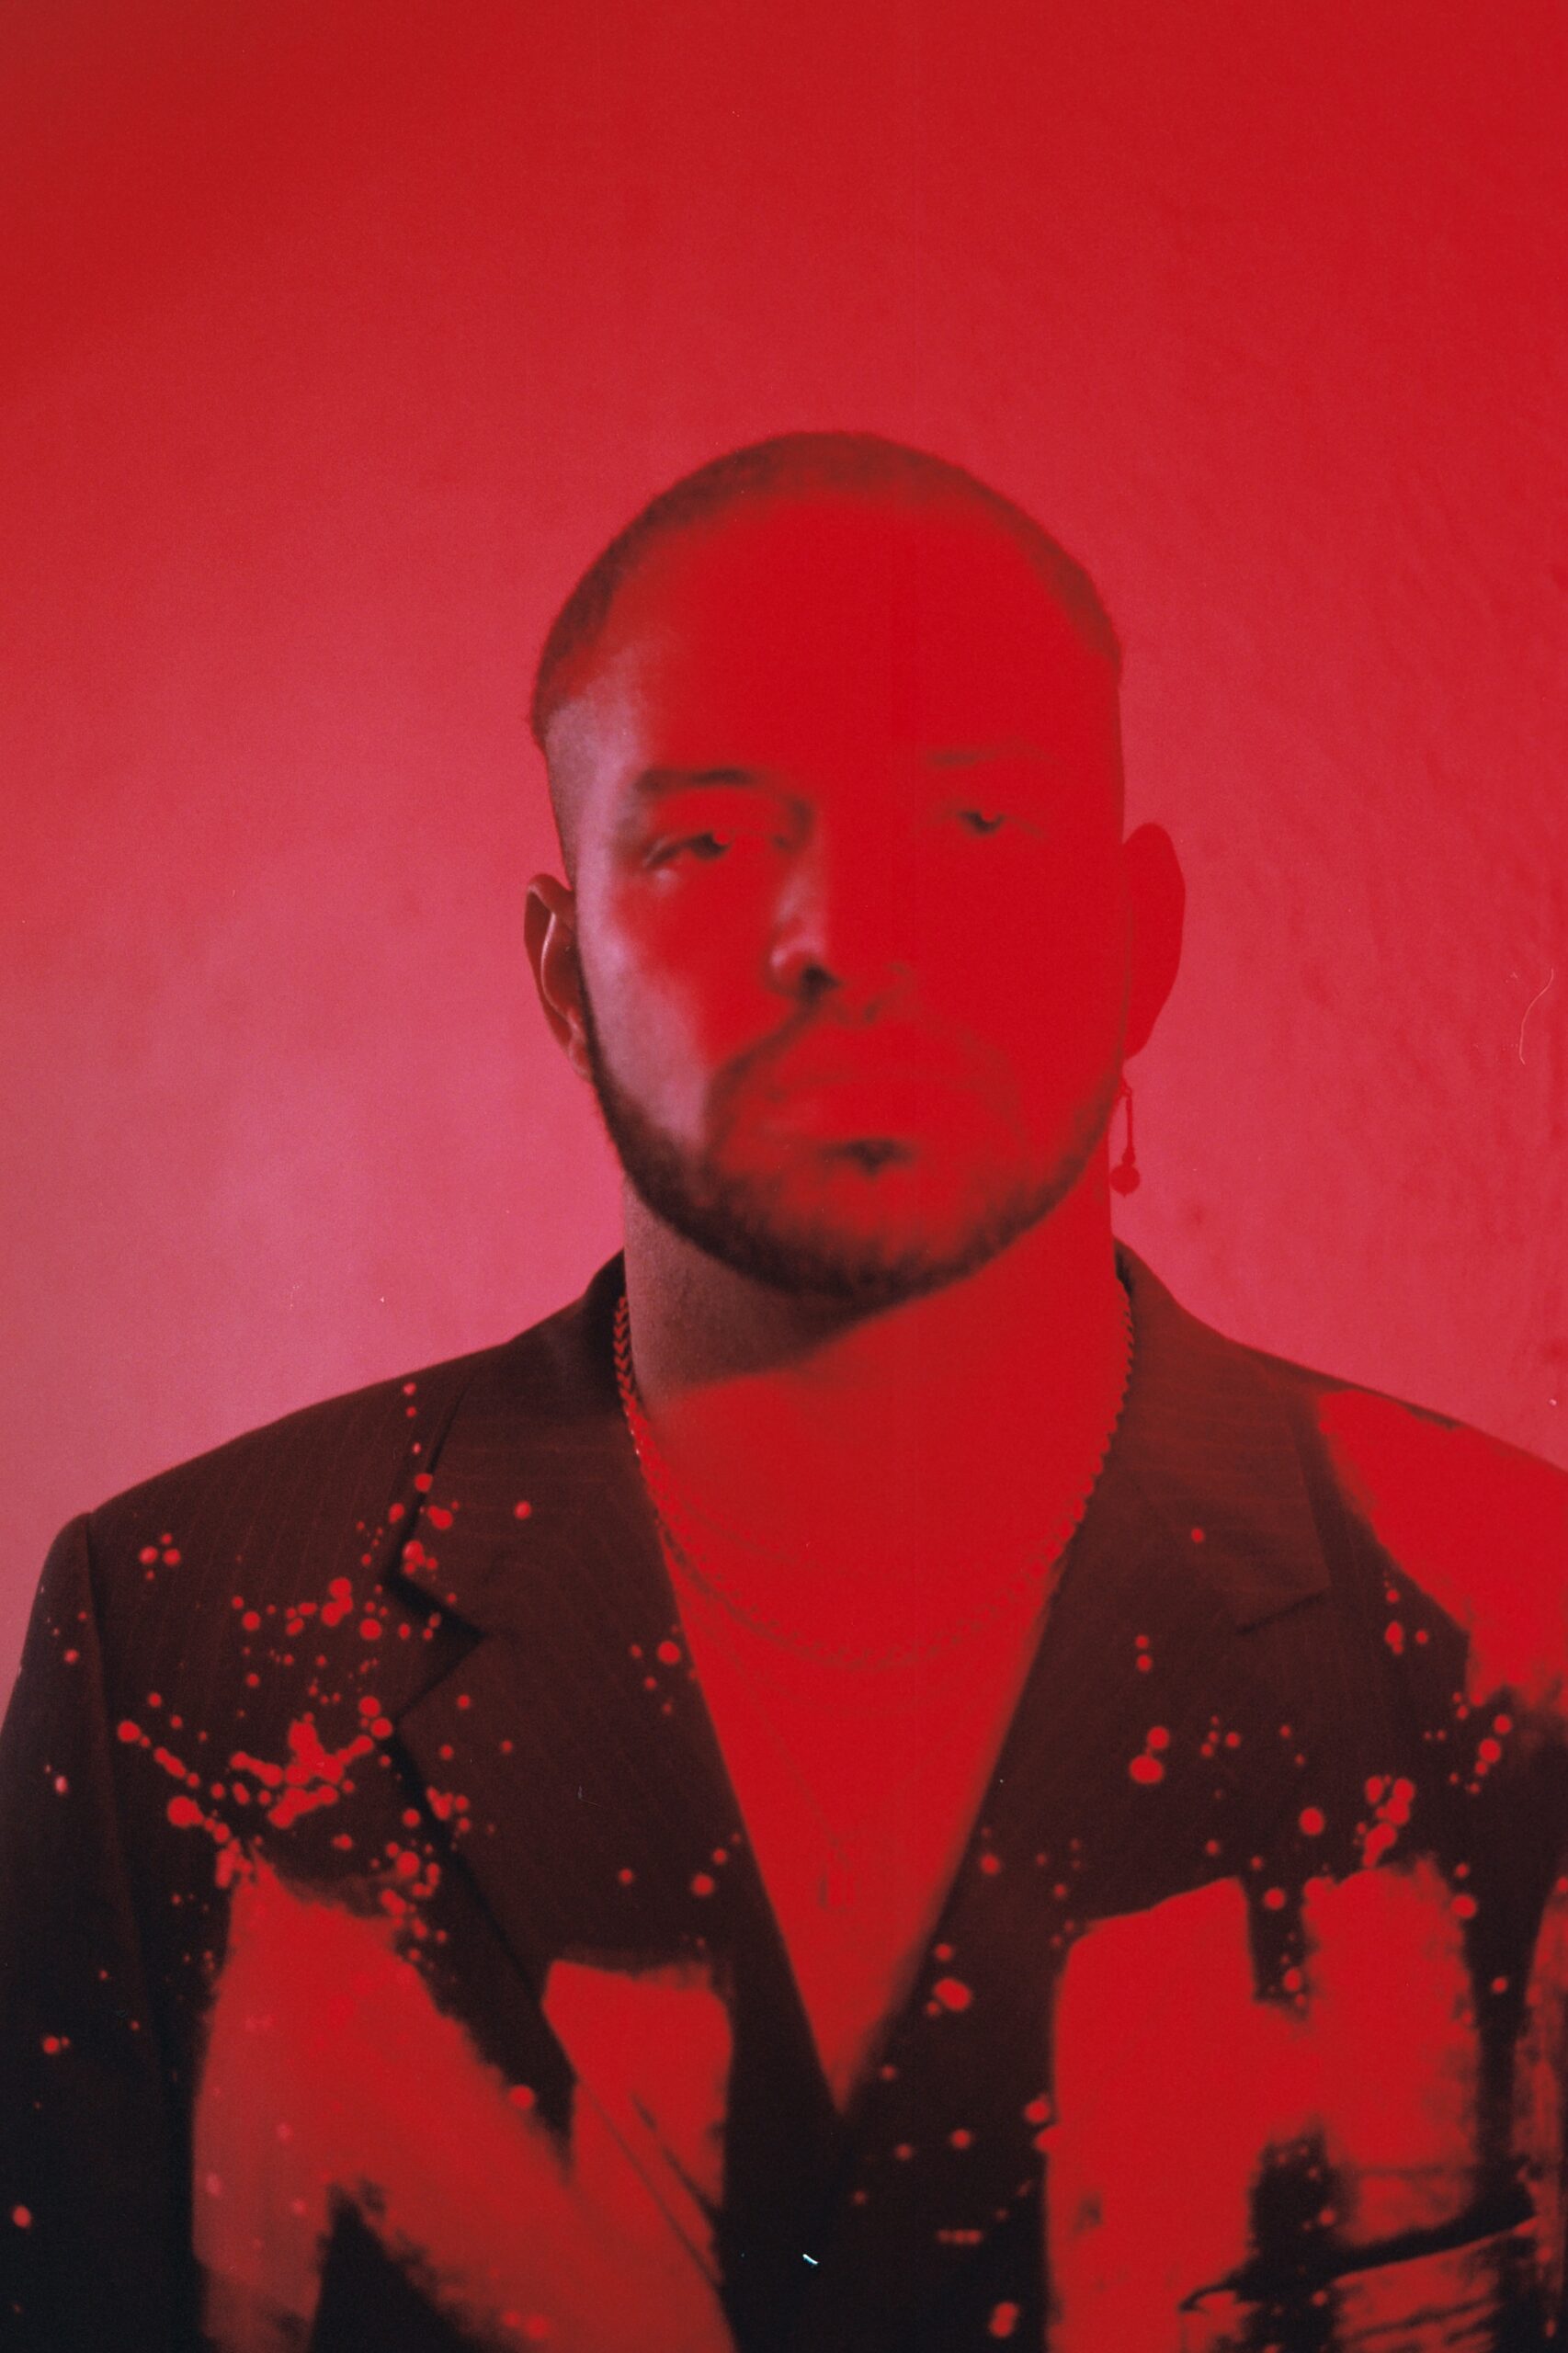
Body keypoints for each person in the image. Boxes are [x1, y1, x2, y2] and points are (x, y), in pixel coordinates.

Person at [2, 433, 1564, 2353]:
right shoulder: (182, 1644)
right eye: (705, 844)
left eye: (975, 823)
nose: (847, 935)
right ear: (563, 973)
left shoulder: (1515, 1641)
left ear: (1137, 942)